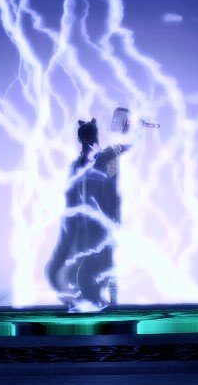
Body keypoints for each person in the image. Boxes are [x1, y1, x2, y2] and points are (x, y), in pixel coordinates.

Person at [44, 108, 149, 311]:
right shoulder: (94, 160)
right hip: (94, 221)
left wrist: (138, 129)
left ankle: (108, 301)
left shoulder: (94, 160)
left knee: (103, 261)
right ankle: (101, 300)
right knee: (99, 262)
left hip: (97, 220)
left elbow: (126, 147)